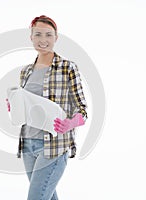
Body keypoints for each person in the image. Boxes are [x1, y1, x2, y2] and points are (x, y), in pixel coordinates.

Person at [6, 15, 88, 200]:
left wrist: (70, 123)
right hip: (28, 144)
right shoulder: (26, 71)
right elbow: (29, 105)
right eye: (38, 34)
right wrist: (15, 104)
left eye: (48, 35)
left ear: (56, 37)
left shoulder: (67, 68)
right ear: (31, 37)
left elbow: (82, 109)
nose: (43, 40)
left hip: (53, 146)